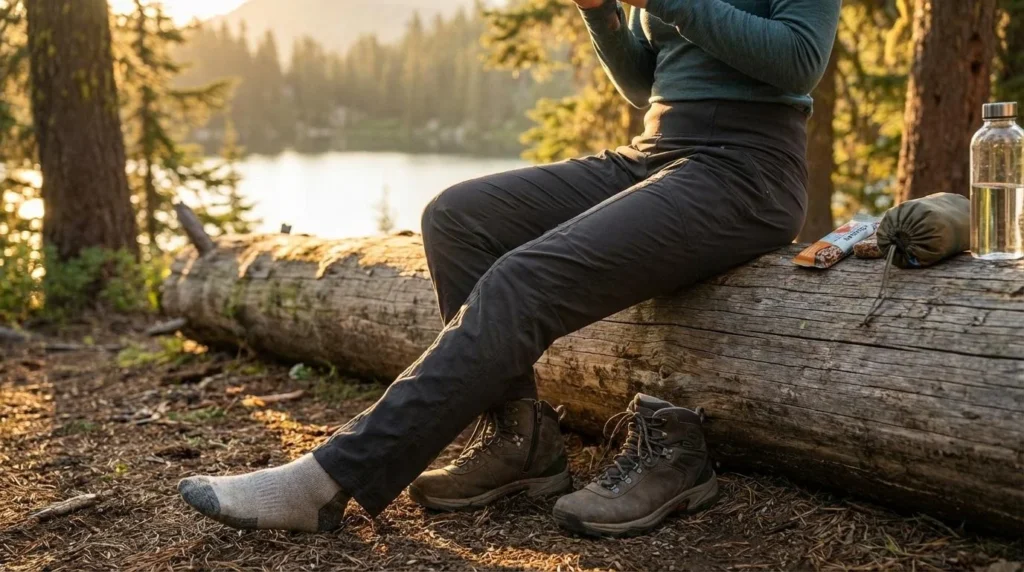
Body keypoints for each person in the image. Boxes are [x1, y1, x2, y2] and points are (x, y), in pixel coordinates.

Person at [178, 0, 842, 538]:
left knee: (525, 277)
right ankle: (519, 443)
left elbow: (798, 61)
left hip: (746, 168)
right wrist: (603, 13)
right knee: (457, 217)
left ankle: (330, 479)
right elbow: (649, 80)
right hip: (661, 149)